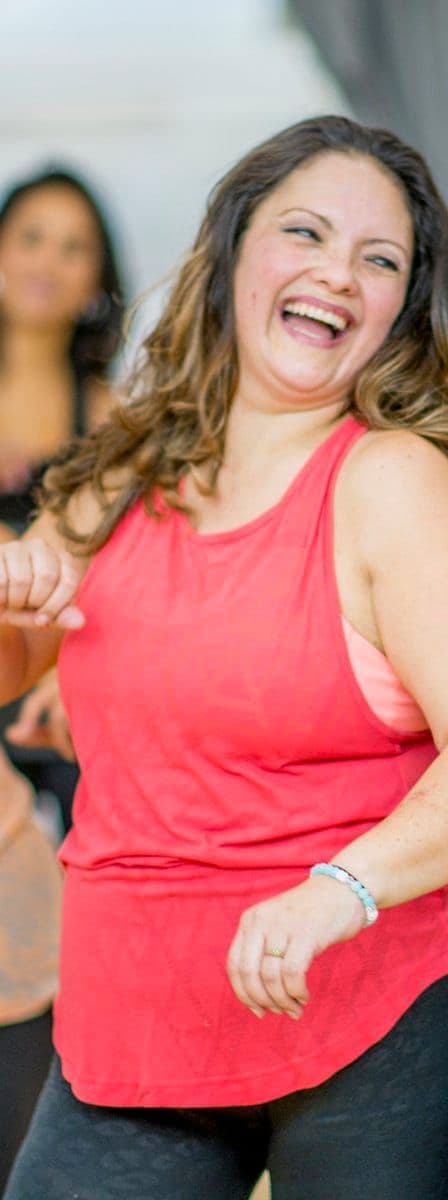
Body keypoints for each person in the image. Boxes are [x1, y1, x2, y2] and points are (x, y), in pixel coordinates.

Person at [2, 114, 448, 1200]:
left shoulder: (392, 480)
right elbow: (18, 675)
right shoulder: (127, 467)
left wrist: (340, 890)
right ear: (237, 251)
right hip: (132, 1013)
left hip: (363, 1003)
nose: (338, 274)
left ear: (401, 306)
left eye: (378, 259)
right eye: (306, 234)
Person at [0, 166, 125, 1191]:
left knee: (55, 969)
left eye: (72, 245)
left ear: (97, 279)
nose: (46, 261)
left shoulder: (114, 414)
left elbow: (123, 582)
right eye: (30, 236)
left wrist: (73, 681)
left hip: (54, 709)